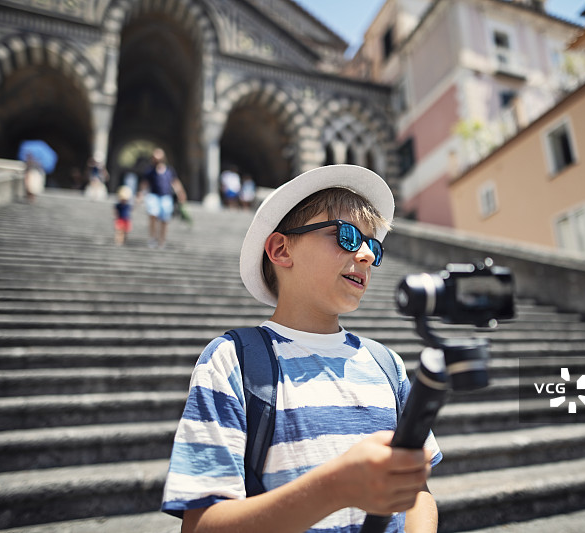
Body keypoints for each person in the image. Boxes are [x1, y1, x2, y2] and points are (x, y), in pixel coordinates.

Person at [161, 164, 442, 533]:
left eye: (373, 244)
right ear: (281, 249)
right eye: (346, 235)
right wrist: (333, 488)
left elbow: (417, 491)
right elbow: (202, 525)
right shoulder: (232, 360)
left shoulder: (386, 364)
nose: (367, 255)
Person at [137, 148, 186, 249]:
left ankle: (162, 240)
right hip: (153, 195)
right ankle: (152, 238)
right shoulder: (150, 170)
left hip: (166, 197)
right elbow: (145, 183)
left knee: (164, 220)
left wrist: (181, 193)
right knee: (153, 215)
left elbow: (175, 182)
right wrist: (140, 194)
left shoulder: (169, 170)